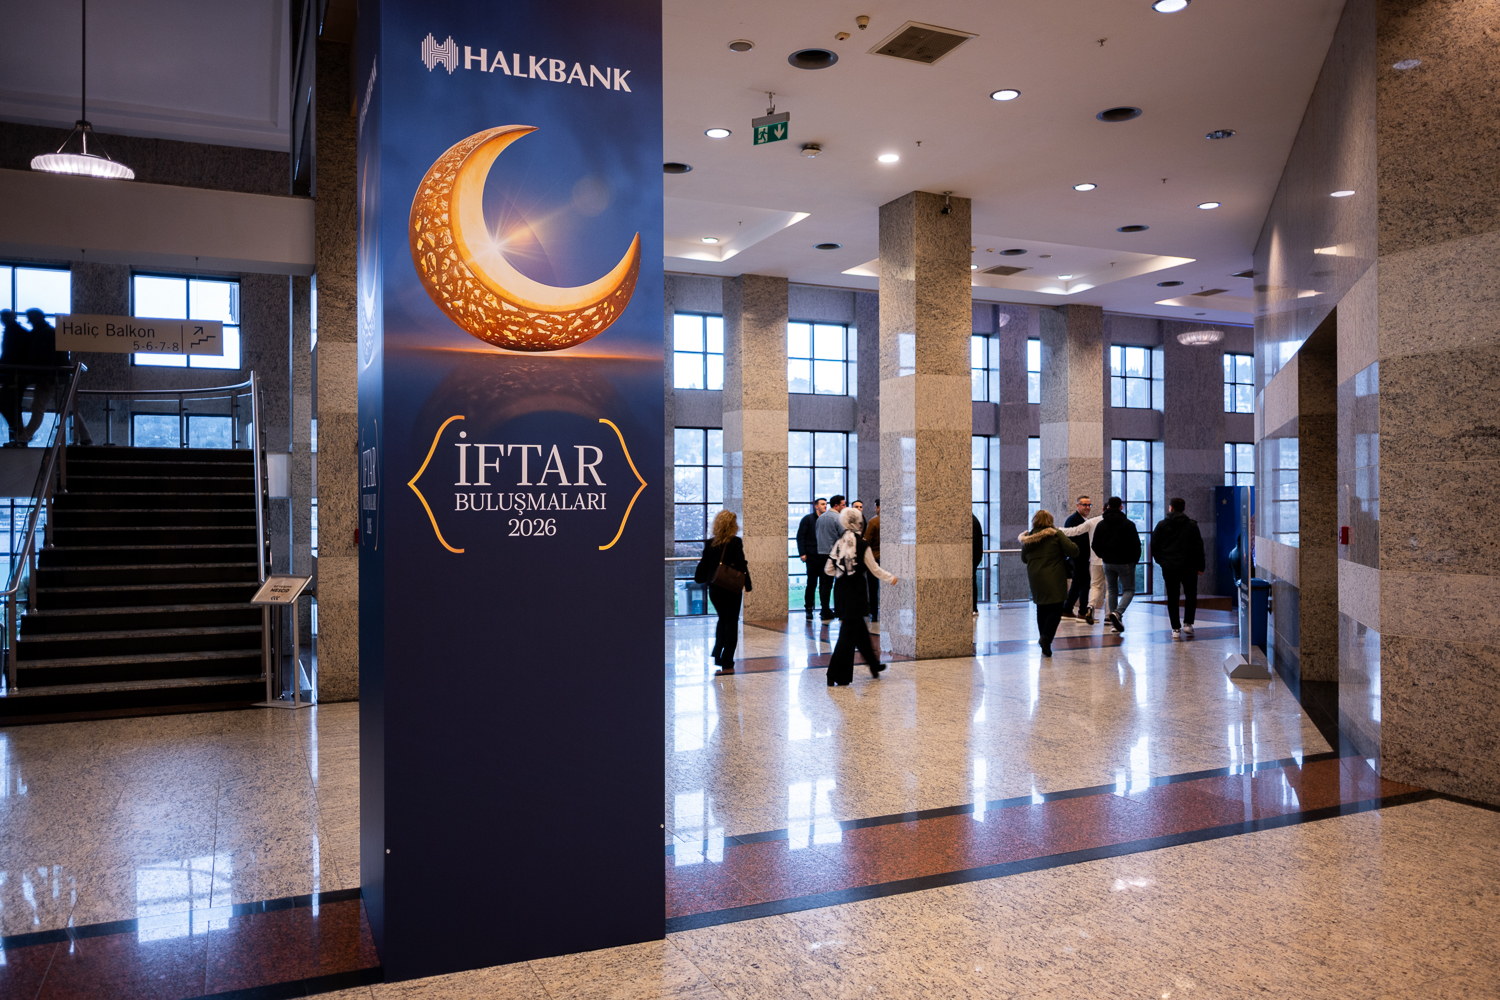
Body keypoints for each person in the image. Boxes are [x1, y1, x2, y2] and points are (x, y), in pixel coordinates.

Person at [824, 505, 898, 685]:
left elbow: (829, 569)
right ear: (859, 522)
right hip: (856, 594)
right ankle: (834, 674)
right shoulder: (862, 545)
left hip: (841, 593)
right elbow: (874, 569)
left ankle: (874, 665)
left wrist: (843, 573)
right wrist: (891, 578)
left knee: (859, 633)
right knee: (846, 637)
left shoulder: (840, 543)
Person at [695, 509, 752, 676]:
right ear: (731, 525)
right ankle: (727, 660)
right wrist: (748, 584)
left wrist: (700, 578)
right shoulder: (735, 542)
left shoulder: (710, 543)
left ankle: (717, 654)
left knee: (722, 619)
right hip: (731, 588)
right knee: (731, 622)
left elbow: (704, 564)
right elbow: (741, 565)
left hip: (715, 588)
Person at [22, 309, 91, 446]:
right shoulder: (49, 333)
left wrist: (44, 379)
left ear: (37, 318)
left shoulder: (43, 334)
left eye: (30, 318)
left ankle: (25, 437)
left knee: (38, 408)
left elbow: (47, 358)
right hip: (59, 378)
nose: (29, 321)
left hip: (50, 379)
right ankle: (85, 438)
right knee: (67, 409)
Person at [1020, 510, 1078, 658]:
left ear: (1035, 521)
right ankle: (1046, 639)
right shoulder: (1056, 534)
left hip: (1035, 577)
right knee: (1056, 609)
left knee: (1041, 608)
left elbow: (1024, 559)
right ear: (1050, 520)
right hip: (1054, 576)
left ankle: (1044, 642)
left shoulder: (1028, 537)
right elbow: (1074, 550)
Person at [1151, 496, 1206, 638]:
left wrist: (1161, 561)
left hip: (1169, 567)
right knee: (1191, 595)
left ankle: (1175, 628)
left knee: (1172, 596)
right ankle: (1188, 624)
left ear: (1170, 508)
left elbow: (1155, 545)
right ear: (1184, 508)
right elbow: (1198, 547)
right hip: (1189, 566)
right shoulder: (1192, 525)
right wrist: (1201, 566)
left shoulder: (1162, 525)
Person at [1091, 496, 1142, 633]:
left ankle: (1115, 623)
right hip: (1125, 562)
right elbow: (1136, 545)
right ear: (1121, 507)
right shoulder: (1128, 524)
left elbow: (1095, 544)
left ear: (1107, 507)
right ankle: (1117, 613)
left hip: (1108, 562)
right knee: (1129, 590)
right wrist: (1134, 560)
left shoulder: (1101, 524)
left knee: (1112, 590)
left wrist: (1103, 556)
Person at [814, 494, 846, 622]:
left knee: (825, 583)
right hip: (835, 555)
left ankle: (825, 610)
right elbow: (844, 536)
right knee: (839, 583)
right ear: (836, 505)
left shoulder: (820, 518)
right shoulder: (838, 518)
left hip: (821, 553)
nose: (844, 507)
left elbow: (817, 534)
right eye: (843, 504)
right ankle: (839, 610)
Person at [1061, 496, 1094, 620]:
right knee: (1085, 585)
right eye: (1084, 505)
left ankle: (1067, 609)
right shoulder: (1073, 520)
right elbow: (1074, 540)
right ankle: (1082, 613)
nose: (1087, 507)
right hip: (1078, 558)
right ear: (1077, 506)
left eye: (1089, 505)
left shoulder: (1084, 520)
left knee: (1077, 584)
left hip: (1082, 558)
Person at [0, 310, 30, 446]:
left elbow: (9, 354)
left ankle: (18, 435)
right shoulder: (18, 332)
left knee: (9, 406)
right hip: (16, 375)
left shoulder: (13, 332)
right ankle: (18, 435)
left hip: (13, 375)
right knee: (13, 406)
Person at [795, 498, 827, 621]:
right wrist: (802, 553)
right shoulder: (807, 519)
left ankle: (824, 609)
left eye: (826, 504)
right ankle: (809, 608)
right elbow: (800, 537)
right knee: (811, 584)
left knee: (824, 584)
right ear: (816, 506)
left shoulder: (826, 520)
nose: (825, 506)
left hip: (823, 557)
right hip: (812, 557)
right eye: (822, 504)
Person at [862, 499, 881, 622]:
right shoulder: (895, 521)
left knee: (873, 588)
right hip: (889, 558)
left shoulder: (873, 522)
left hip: (874, 558)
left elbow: (867, 541)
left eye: (876, 507)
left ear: (879, 507)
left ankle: (874, 614)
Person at [972, 513, 984, 615]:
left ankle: (973, 607)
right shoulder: (974, 520)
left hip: (971, 558)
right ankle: (973, 607)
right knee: (972, 580)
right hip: (975, 557)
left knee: (971, 581)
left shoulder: (971, 521)